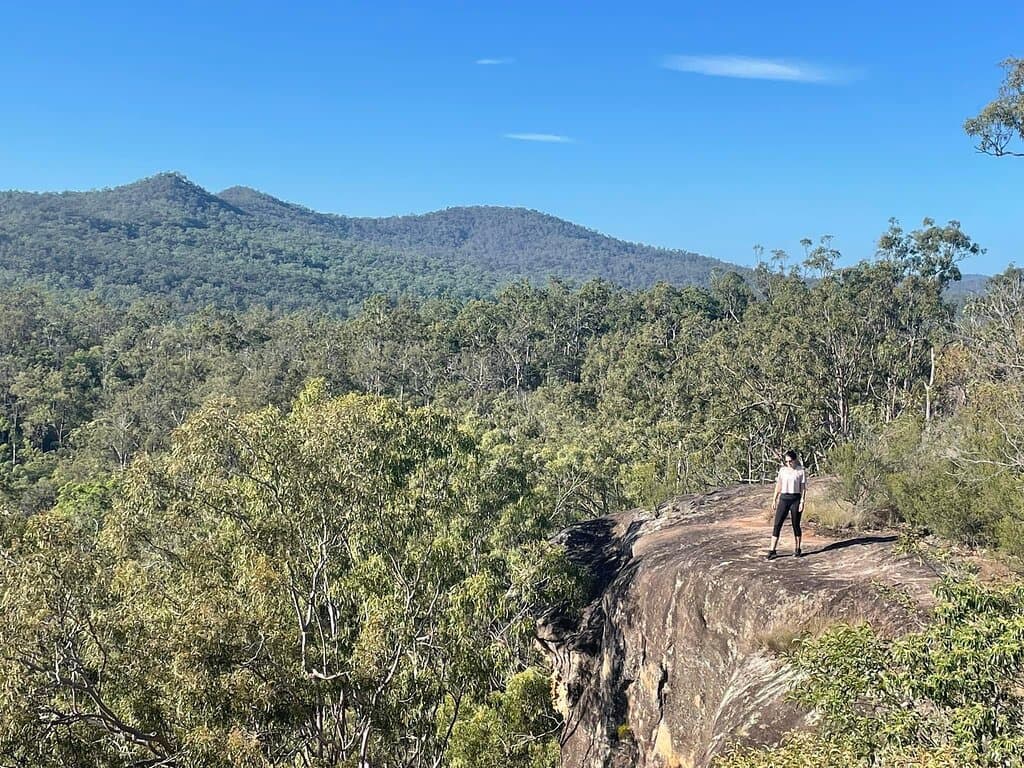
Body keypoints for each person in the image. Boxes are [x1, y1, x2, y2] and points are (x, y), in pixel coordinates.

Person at [767, 450, 807, 560]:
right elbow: (778, 485)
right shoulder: (782, 471)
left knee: (795, 524)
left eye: (790, 461)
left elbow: (803, 488)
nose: (788, 463)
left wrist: (802, 502)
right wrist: (774, 499)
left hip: (795, 498)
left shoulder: (800, 471)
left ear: (795, 460)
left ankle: (797, 549)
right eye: (786, 461)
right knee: (777, 524)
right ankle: (772, 550)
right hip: (784, 498)